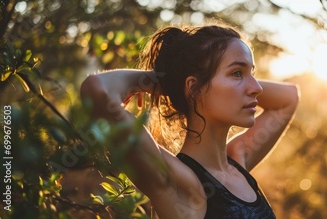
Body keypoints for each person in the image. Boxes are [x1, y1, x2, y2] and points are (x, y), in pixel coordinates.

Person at [80, 24, 299, 218]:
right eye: (236, 73)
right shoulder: (180, 183)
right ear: (193, 87)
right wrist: (152, 81)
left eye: (251, 72)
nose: (257, 88)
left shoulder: (237, 161)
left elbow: (289, 99)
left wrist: (179, 83)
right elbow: (96, 90)